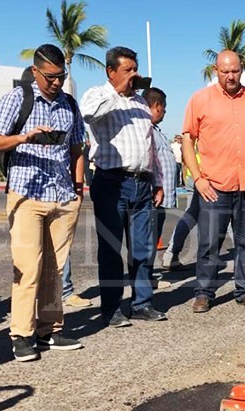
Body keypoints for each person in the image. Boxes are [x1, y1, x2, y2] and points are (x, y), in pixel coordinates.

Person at [0, 44, 86, 360]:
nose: (56, 82)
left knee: (55, 270)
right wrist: (24, 138)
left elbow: (77, 148)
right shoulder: (18, 98)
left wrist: (78, 188)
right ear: (35, 71)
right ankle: (21, 334)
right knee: (28, 268)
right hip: (26, 195)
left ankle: (49, 330)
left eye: (61, 76)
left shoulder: (69, 104)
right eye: (50, 76)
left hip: (62, 196)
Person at [182, 50, 245, 313]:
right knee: (210, 242)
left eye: (235, 71)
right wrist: (198, 178)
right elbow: (188, 140)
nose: (230, 76)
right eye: (225, 72)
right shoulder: (200, 100)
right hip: (214, 187)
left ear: (241, 69)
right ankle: (204, 292)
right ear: (216, 70)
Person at [81, 46, 166, 327]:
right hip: (111, 183)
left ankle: (142, 303)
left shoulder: (141, 103)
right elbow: (88, 114)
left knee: (143, 249)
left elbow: (150, 146)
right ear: (111, 71)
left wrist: (157, 180)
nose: (134, 75)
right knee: (111, 249)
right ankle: (111, 308)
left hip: (142, 184)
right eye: (128, 70)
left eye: (135, 69)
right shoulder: (97, 95)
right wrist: (116, 92)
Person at [143, 87, 177, 291]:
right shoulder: (146, 130)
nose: (165, 112)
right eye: (164, 107)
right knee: (148, 238)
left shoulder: (157, 131)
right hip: (154, 195)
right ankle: (145, 278)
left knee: (153, 236)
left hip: (161, 197)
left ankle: (148, 275)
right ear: (156, 106)